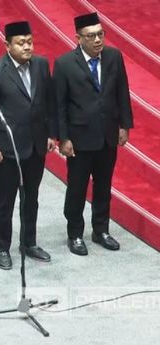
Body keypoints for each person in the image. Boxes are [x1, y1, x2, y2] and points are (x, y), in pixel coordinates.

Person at [53, 13, 133, 256]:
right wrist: (63, 138)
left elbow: (122, 92)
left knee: (103, 185)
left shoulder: (113, 57)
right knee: (77, 188)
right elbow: (59, 105)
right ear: (78, 38)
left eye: (101, 34)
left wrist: (124, 125)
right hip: (79, 139)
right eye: (91, 36)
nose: (98, 40)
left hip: (107, 134)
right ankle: (75, 233)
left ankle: (101, 230)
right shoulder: (65, 64)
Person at [0, 21, 57, 270]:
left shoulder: (41, 65)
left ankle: (29, 242)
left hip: (35, 145)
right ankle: (2, 247)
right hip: (8, 148)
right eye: (21, 43)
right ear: (7, 45)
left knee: (31, 197)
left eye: (29, 42)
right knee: (4, 201)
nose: (27, 47)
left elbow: (48, 102)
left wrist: (50, 134)